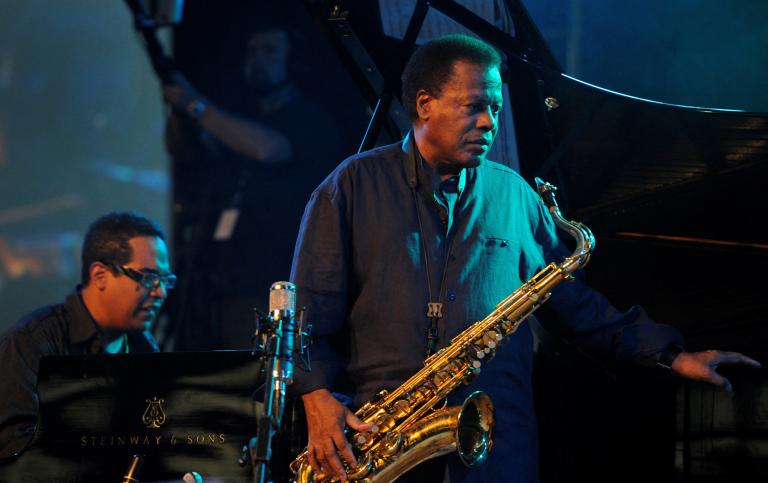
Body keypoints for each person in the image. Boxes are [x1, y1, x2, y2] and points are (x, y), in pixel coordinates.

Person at [288, 34, 760, 482]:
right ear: (425, 105)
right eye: (475, 106)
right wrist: (316, 396)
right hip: (377, 443)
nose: (491, 122)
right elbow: (307, 314)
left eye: (494, 107)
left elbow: (576, 306)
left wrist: (671, 355)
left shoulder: (514, 195)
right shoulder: (350, 186)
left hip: (496, 442)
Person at [163, 24, 366, 348]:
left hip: (269, 283)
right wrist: (180, 112)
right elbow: (185, 152)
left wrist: (195, 105)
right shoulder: (241, 116)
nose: (258, 59)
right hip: (218, 282)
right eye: (252, 51)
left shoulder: (309, 118)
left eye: (269, 51)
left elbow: (269, 148)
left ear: (294, 59)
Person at [0, 212, 174, 459]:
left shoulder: (144, 349)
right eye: (148, 278)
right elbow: (14, 448)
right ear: (100, 275)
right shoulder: (31, 342)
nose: (161, 293)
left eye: (166, 280)